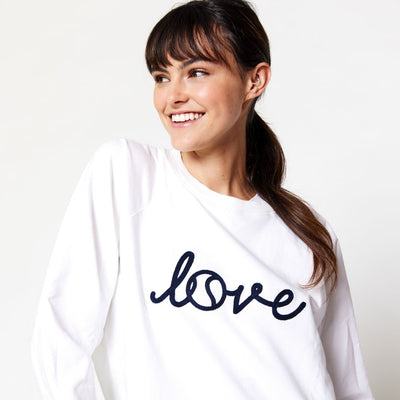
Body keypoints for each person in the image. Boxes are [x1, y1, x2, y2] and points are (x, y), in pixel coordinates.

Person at [31, 0, 374, 399]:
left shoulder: (309, 233)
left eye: (196, 72)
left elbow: (348, 384)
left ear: (254, 81)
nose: (172, 96)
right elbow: (60, 339)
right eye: (161, 76)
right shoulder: (128, 175)